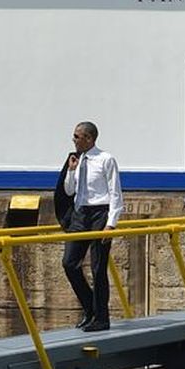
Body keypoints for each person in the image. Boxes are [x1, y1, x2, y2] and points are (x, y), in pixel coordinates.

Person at [62, 121, 123, 333]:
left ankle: (101, 318)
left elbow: (115, 193)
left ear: (89, 138)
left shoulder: (106, 159)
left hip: (100, 213)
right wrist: (71, 171)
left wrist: (111, 224)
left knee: (98, 268)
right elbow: (69, 191)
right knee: (69, 263)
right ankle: (90, 308)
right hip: (80, 215)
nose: (74, 140)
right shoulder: (76, 160)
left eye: (77, 137)